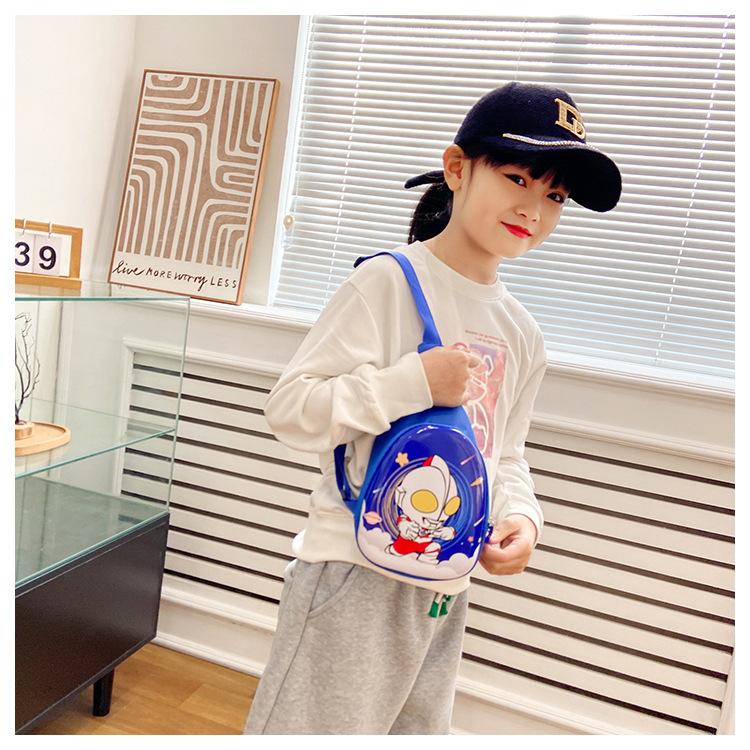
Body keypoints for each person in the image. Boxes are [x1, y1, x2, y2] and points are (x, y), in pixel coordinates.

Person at [243, 81, 622, 735]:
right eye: (517, 178)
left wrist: (522, 517)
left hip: (447, 585)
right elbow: (291, 409)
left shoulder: (523, 332)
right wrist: (412, 382)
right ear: (456, 168)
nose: (533, 208)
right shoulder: (387, 282)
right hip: (352, 571)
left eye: (555, 196)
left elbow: (506, 455)